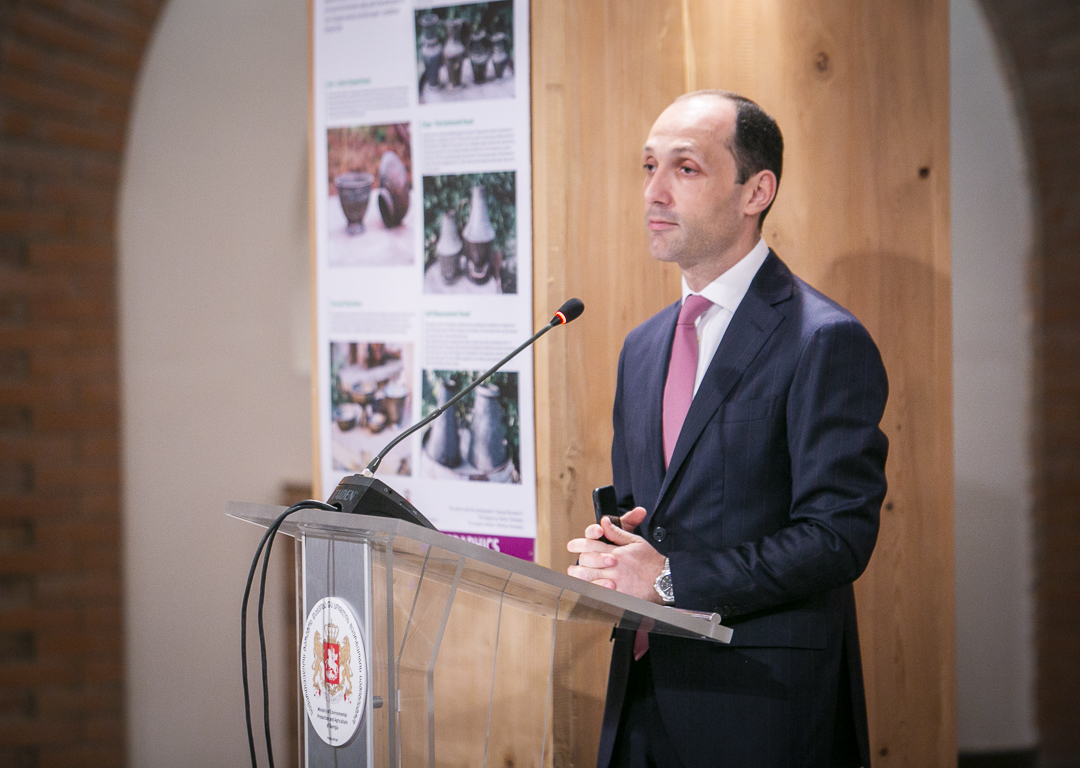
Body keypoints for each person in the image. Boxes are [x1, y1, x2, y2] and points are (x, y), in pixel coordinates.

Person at [567, 90, 889, 768]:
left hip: (757, 707)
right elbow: (655, 512)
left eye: (685, 169)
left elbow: (838, 537)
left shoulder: (823, 339)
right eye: (649, 166)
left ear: (756, 191)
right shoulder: (642, 346)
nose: (653, 192)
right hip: (643, 699)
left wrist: (670, 579)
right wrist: (615, 549)